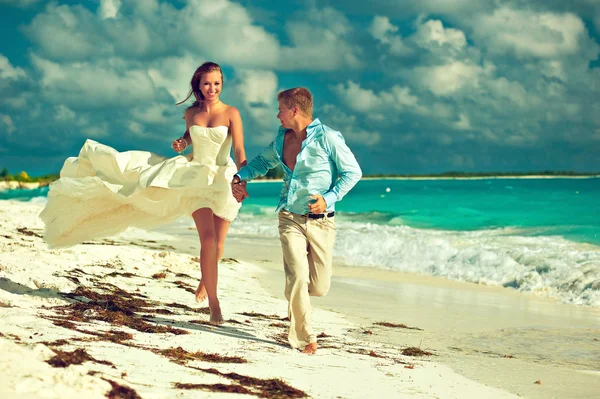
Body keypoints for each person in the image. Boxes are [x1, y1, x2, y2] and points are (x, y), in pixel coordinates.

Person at [40, 62, 246, 324]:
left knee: (219, 242)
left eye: (217, 83)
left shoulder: (231, 112)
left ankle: (206, 281)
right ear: (198, 85)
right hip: (195, 179)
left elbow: (239, 149)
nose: (212, 88)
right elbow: (188, 138)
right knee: (207, 239)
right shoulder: (191, 113)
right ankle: (214, 306)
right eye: (207, 83)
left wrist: (243, 176)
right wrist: (182, 143)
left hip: (223, 178)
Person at [231, 87, 362, 354]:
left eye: (280, 109)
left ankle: (295, 296)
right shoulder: (282, 140)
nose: (277, 115)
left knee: (319, 286)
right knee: (298, 276)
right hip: (289, 216)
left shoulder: (329, 138)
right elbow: (259, 163)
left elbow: (353, 172)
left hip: (321, 220)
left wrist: (329, 197)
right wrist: (240, 177)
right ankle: (305, 338)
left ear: (295, 110)